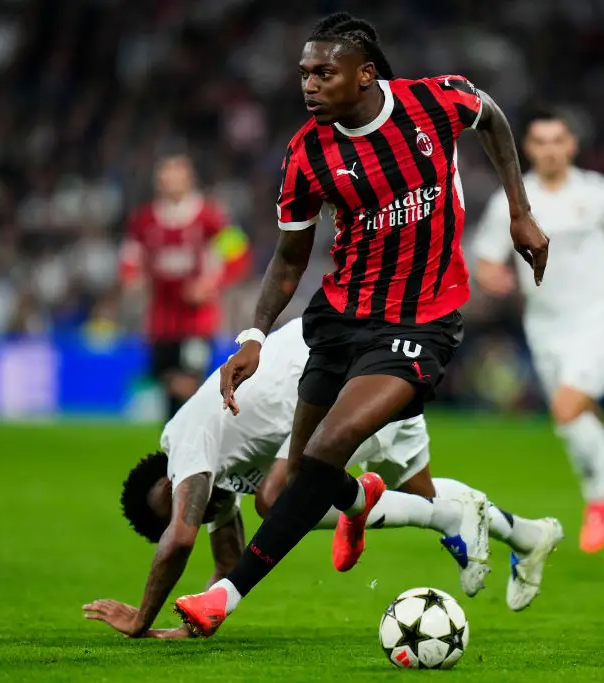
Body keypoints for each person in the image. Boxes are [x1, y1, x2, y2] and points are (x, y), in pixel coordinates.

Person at [171, 13, 549, 638]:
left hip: (421, 322)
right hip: (340, 319)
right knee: (281, 492)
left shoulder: (435, 101)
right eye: (304, 74)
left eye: (324, 73)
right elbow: (289, 259)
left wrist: (519, 211)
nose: (309, 85)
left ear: (365, 74)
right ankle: (366, 501)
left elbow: (493, 118)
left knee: (326, 449)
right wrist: (254, 336)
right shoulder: (307, 153)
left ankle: (224, 597)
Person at [81, 319, 564, 639]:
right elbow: (226, 561)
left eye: (181, 508)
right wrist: (183, 628)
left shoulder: (185, 442)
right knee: (424, 497)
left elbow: (180, 540)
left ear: (170, 483)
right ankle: (530, 536)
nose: (203, 511)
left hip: (338, 377)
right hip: (356, 363)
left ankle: (359, 502)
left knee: (276, 497)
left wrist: (140, 619)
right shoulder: (217, 479)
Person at [472, 108, 604, 566]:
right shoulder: (514, 200)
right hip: (544, 327)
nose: (550, 150)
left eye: (558, 141)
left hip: (595, 319)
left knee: (567, 408)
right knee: (576, 422)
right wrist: (492, 276)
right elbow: (485, 256)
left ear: (571, 145)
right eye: (541, 142)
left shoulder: (599, 193)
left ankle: (599, 507)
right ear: (528, 149)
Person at [119, 152, 251, 420]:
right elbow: (130, 257)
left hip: (197, 320)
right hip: (161, 321)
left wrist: (210, 284)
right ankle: (176, 438)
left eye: (177, 173)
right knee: (168, 384)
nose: (171, 179)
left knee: (189, 382)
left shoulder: (209, 217)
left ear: (189, 178)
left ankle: (192, 434)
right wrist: (132, 277)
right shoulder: (145, 220)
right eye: (166, 173)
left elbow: (238, 254)